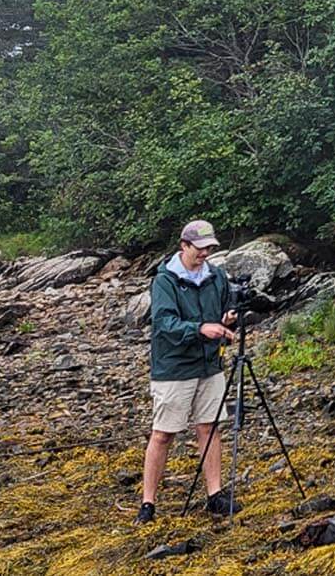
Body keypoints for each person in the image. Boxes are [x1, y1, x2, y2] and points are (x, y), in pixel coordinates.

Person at [137, 219, 241, 523]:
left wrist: (228, 318)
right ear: (184, 246)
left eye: (210, 248)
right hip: (173, 368)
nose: (205, 253)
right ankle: (148, 503)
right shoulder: (165, 280)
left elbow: (223, 310)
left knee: (210, 428)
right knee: (163, 434)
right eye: (200, 248)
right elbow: (164, 324)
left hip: (209, 366)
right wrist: (201, 328)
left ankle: (215, 495)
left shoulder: (216, 276)